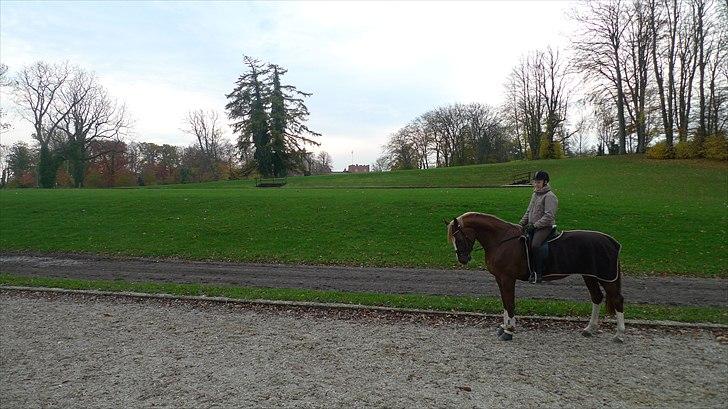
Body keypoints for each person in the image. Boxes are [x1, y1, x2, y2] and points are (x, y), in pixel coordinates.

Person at [519, 170, 558, 283]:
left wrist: (535, 226)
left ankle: (539, 273)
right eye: (535, 182)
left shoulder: (550, 196)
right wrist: (520, 224)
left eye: (538, 182)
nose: (536, 184)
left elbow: (549, 216)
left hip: (545, 227)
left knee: (535, 245)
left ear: (545, 182)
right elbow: (528, 211)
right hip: (533, 226)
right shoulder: (535, 194)